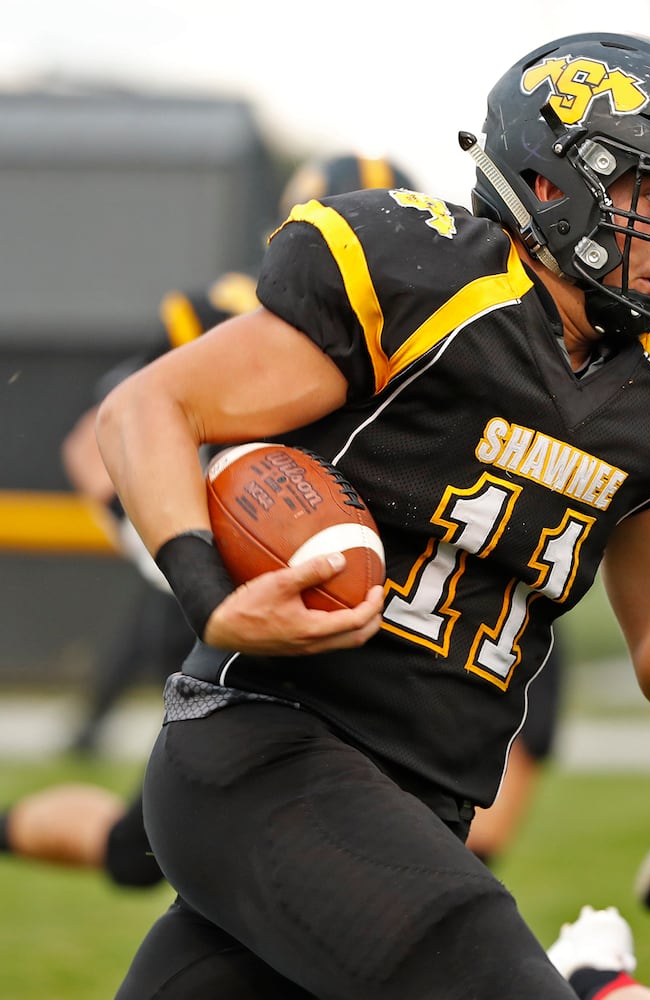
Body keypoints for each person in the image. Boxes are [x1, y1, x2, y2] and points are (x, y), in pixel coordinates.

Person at [98, 31, 650, 999]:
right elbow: (146, 408)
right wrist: (208, 593)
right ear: (548, 183)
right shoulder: (430, 283)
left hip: (422, 805)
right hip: (268, 748)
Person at [0, 153, 416, 890]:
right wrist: (167, 551)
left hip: (361, 617)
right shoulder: (230, 315)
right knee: (152, 853)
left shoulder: (445, 342)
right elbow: (101, 433)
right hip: (231, 594)